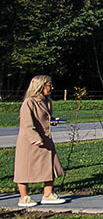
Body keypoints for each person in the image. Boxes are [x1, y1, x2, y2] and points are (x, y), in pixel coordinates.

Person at [14, 75, 65, 207]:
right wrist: (35, 139)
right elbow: (26, 124)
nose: (52, 88)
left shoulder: (47, 101)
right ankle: (24, 197)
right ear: (40, 86)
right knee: (24, 168)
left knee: (51, 166)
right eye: (49, 85)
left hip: (45, 139)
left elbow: (42, 118)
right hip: (30, 141)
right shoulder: (29, 103)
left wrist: (52, 120)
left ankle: (48, 194)